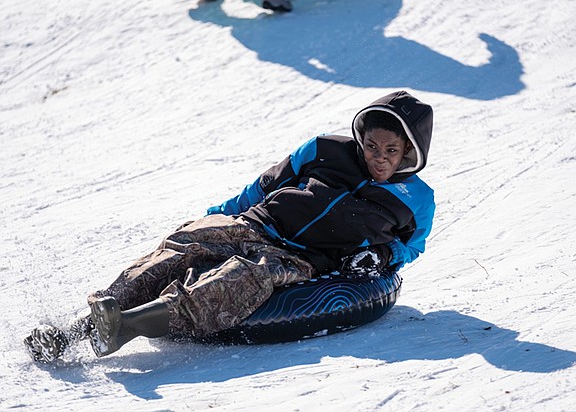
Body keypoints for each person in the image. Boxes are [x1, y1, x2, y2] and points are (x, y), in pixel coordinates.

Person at [24, 90, 435, 362]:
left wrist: (381, 256)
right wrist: (216, 216)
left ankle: (127, 327)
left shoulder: (418, 200)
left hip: (300, 256)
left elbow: (411, 248)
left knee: (243, 277)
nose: (377, 157)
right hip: (258, 223)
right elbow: (266, 185)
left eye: (391, 151)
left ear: (409, 152)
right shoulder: (325, 149)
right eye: (371, 146)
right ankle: (73, 330)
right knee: (185, 243)